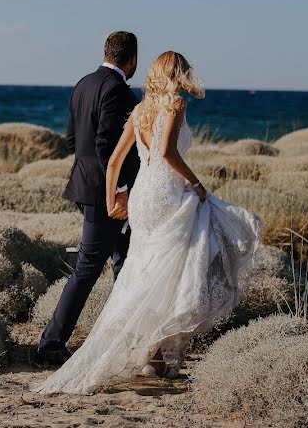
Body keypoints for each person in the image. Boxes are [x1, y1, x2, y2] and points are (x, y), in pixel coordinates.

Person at [32, 50, 262, 395]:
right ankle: (156, 351)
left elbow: (113, 163)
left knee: (145, 272)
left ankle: (153, 357)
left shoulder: (139, 110)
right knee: (177, 267)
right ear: (177, 73)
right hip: (167, 193)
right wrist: (198, 184)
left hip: (143, 196)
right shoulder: (175, 105)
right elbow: (167, 153)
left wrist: (113, 200)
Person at [30, 31, 141, 367]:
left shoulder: (83, 83)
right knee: (87, 268)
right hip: (105, 194)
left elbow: (71, 140)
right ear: (132, 58)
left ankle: (124, 337)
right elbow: (107, 145)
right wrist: (119, 190)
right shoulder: (119, 91)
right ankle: (50, 345)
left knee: (126, 261)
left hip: (84, 185)